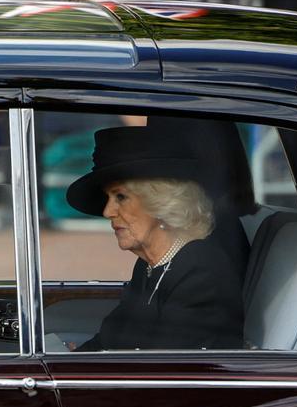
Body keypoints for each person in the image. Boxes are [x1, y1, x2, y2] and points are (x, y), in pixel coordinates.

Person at [67, 125, 244, 351]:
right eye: (107, 198)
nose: (107, 211)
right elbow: (109, 341)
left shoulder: (202, 274)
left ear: (160, 203)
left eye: (121, 196)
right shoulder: (148, 266)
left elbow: (161, 370)